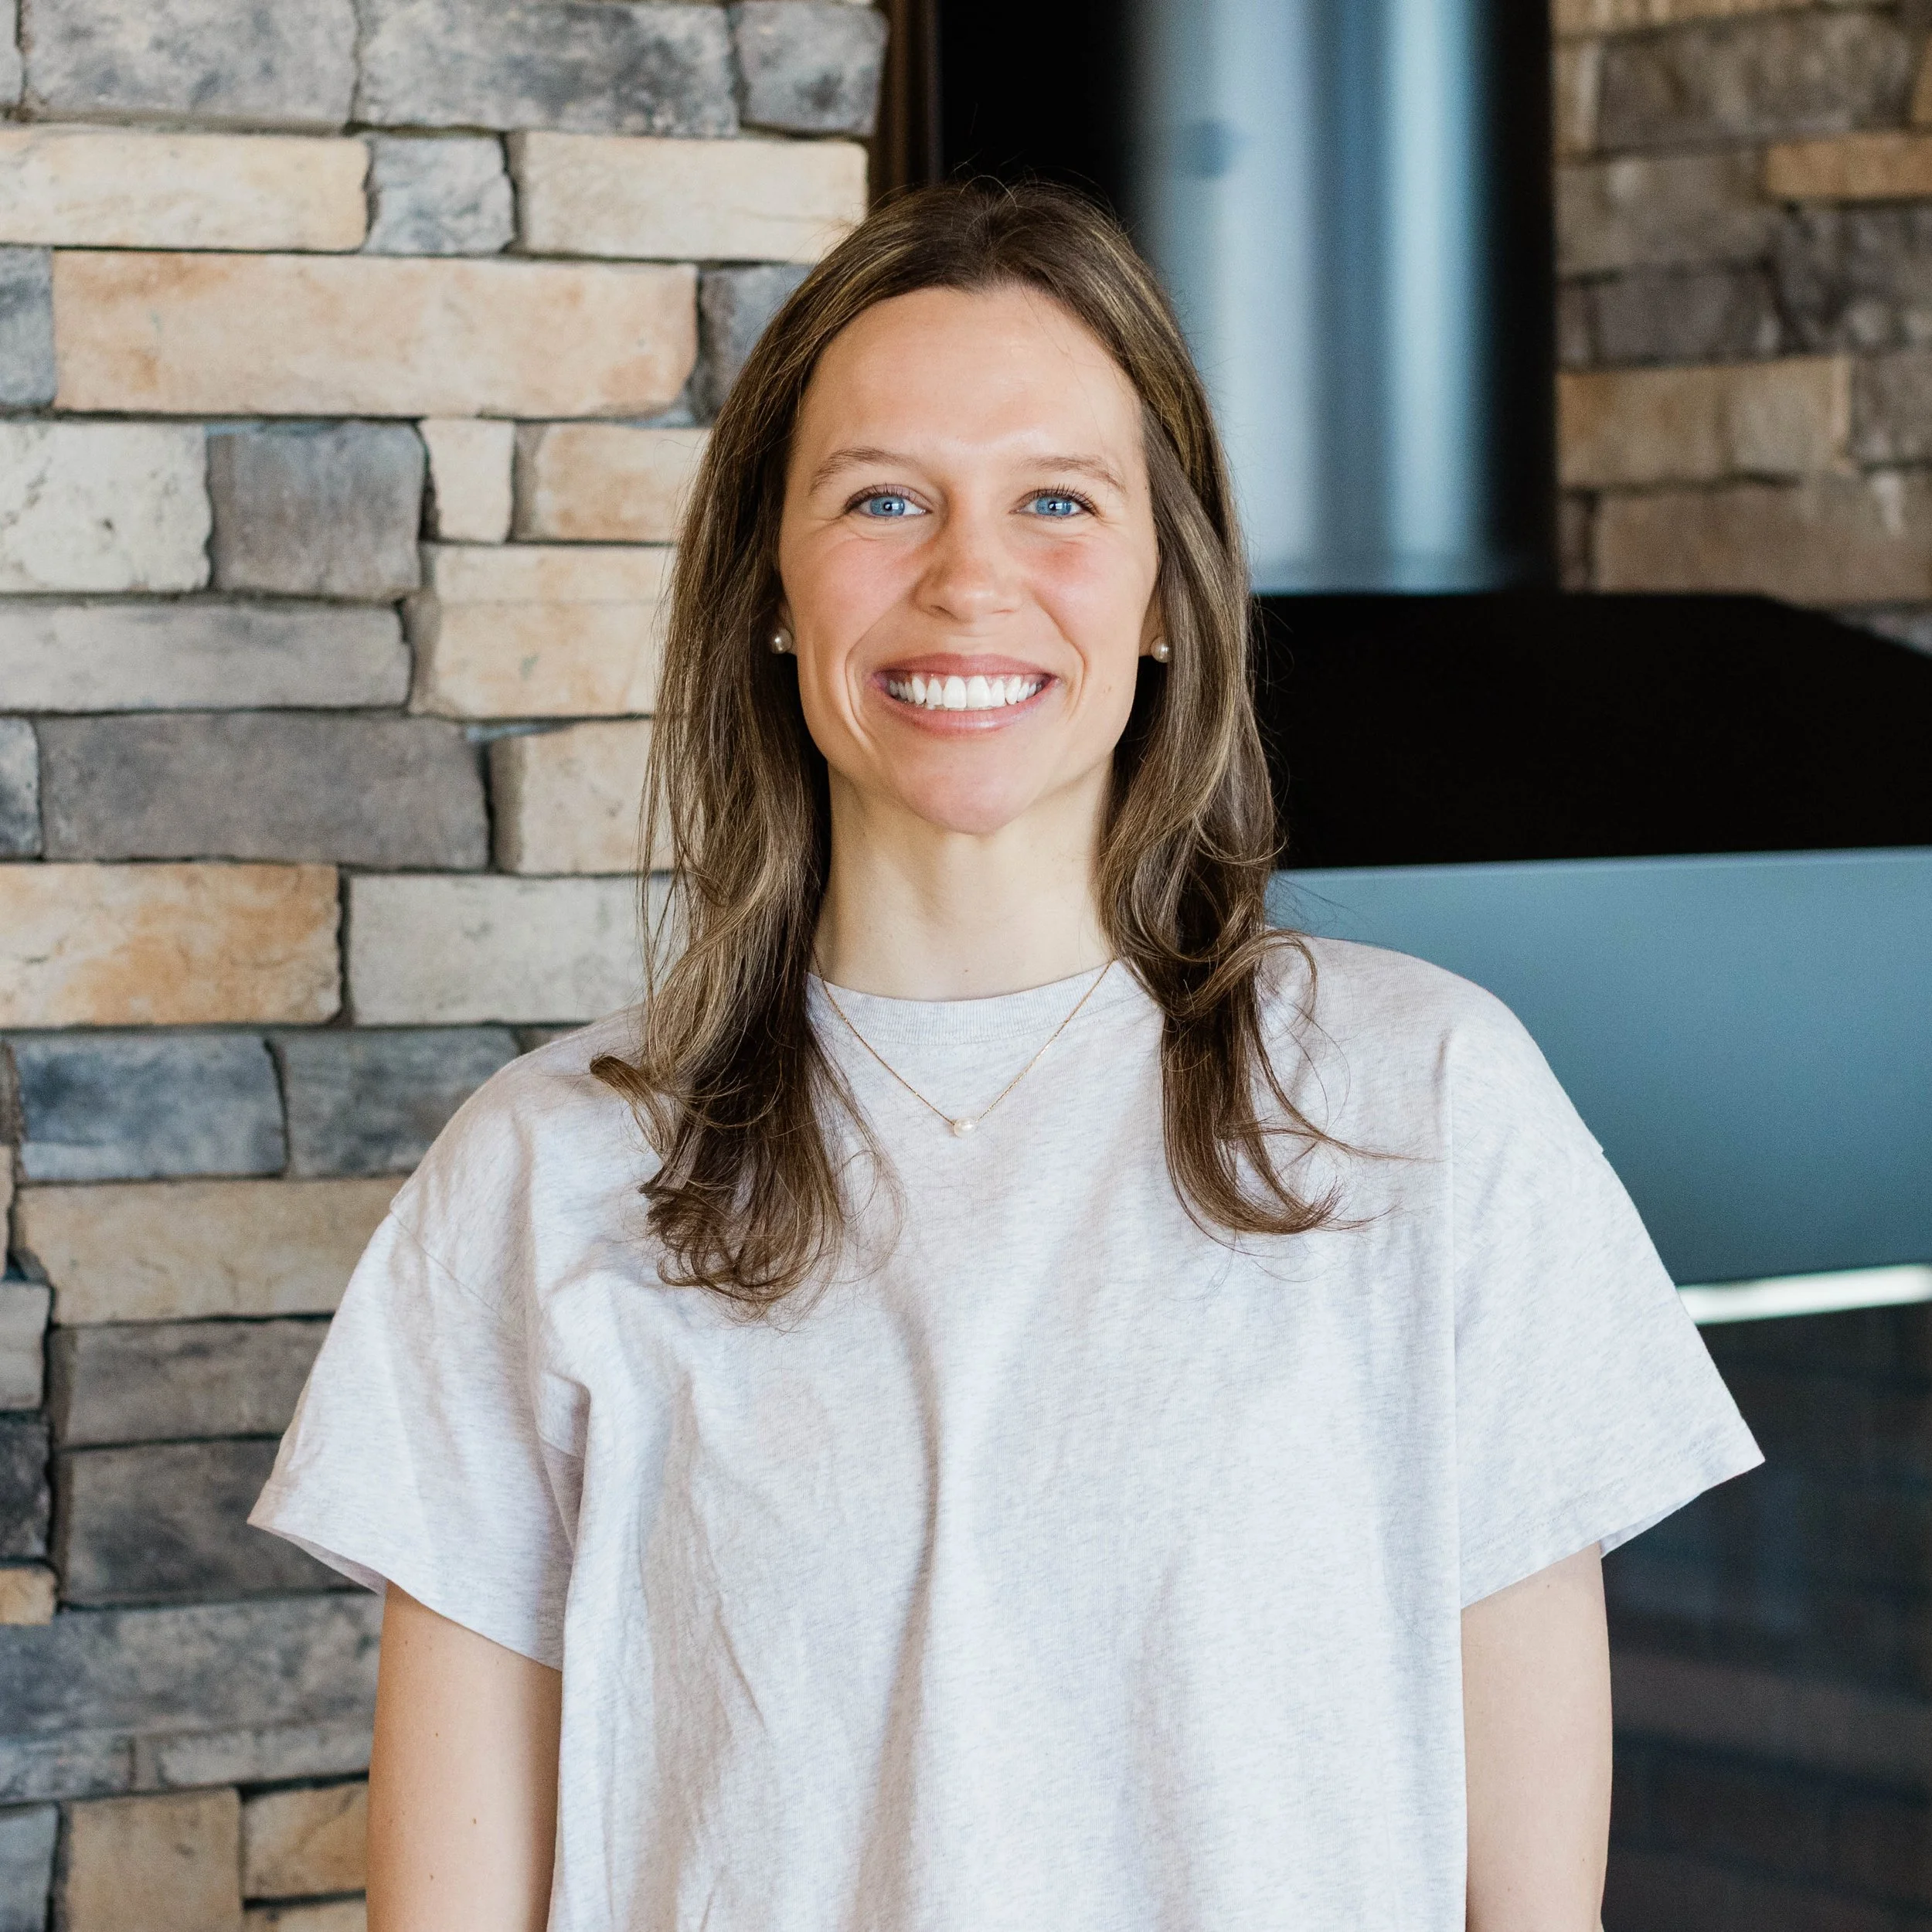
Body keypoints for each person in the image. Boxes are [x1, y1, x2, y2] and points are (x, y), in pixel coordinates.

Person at [253, 182, 1760, 1932]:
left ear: (1161, 597)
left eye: (1056, 500)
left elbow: (1532, 1907)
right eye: (884, 499)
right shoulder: (543, 1172)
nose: (970, 576)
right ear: (769, 587)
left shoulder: (1420, 1101)